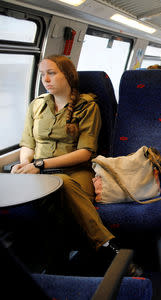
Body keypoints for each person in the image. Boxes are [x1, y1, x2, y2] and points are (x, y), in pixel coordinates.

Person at [10, 55, 138, 271]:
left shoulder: (87, 106)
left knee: (61, 183)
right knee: (50, 205)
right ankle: (105, 249)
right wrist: (24, 165)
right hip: (38, 173)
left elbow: (84, 153)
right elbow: (27, 144)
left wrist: (40, 166)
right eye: (42, 74)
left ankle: (104, 248)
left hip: (77, 173)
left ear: (68, 76)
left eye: (51, 73)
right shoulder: (37, 106)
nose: (45, 79)